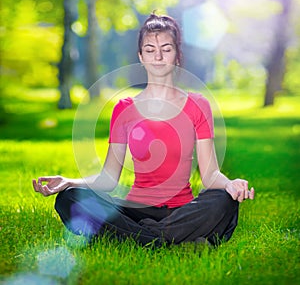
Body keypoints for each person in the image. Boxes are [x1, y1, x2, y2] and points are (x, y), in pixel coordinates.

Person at [33, 13, 255, 247]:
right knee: (70, 199)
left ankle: (139, 238)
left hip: (182, 211)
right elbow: (108, 179)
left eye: (166, 49)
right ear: (140, 56)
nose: (158, 57)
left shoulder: (197, 104)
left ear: (177, 56)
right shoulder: (124, 108)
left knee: (225, 200)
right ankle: (166, 239)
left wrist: (230, 183)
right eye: (150, 50)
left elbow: (210, 175)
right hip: (136, 210)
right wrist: (69, 181)